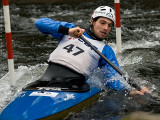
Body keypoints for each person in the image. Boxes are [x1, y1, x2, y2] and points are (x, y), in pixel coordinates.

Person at [35, 6, 150, 95]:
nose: (105, 28)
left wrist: (129, 92)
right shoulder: (72, 30)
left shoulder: (105, 50)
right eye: (102, 22)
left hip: (74, 85)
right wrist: (67, 30)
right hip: (46, 79)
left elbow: (112, 78)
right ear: (93, 21)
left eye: (110, 25)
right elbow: (39, 23)